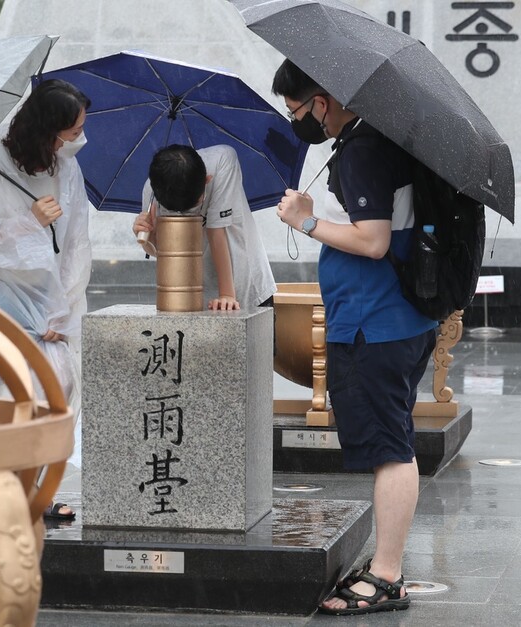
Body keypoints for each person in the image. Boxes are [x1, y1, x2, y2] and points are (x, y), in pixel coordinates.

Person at [272, 60, 438, 616]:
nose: (298, 122)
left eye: (297, 110)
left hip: (376, 321)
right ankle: (385, 566)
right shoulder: (381, 139)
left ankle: (386, 575)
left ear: (321, 100)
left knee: (391, 449)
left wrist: (306, 222)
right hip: (401, 318)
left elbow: (371, 241)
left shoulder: (364, 150)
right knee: (394, 441)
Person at [0, 78, 91, 557]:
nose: (77, 141)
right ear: (45, 133)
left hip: (46, 305)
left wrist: (63, 309)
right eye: (70, 133)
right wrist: (27, 222)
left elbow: (76, 246)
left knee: (55, 392)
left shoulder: (67, 169)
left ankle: (35, 495)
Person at [132, 144, 276, 311]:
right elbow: (163, 253)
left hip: (246, 284)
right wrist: (148, 236)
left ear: (207, 179)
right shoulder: (153, 189)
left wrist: (227, 295)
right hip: (195, 297)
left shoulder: (223, 160)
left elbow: (216, 232)